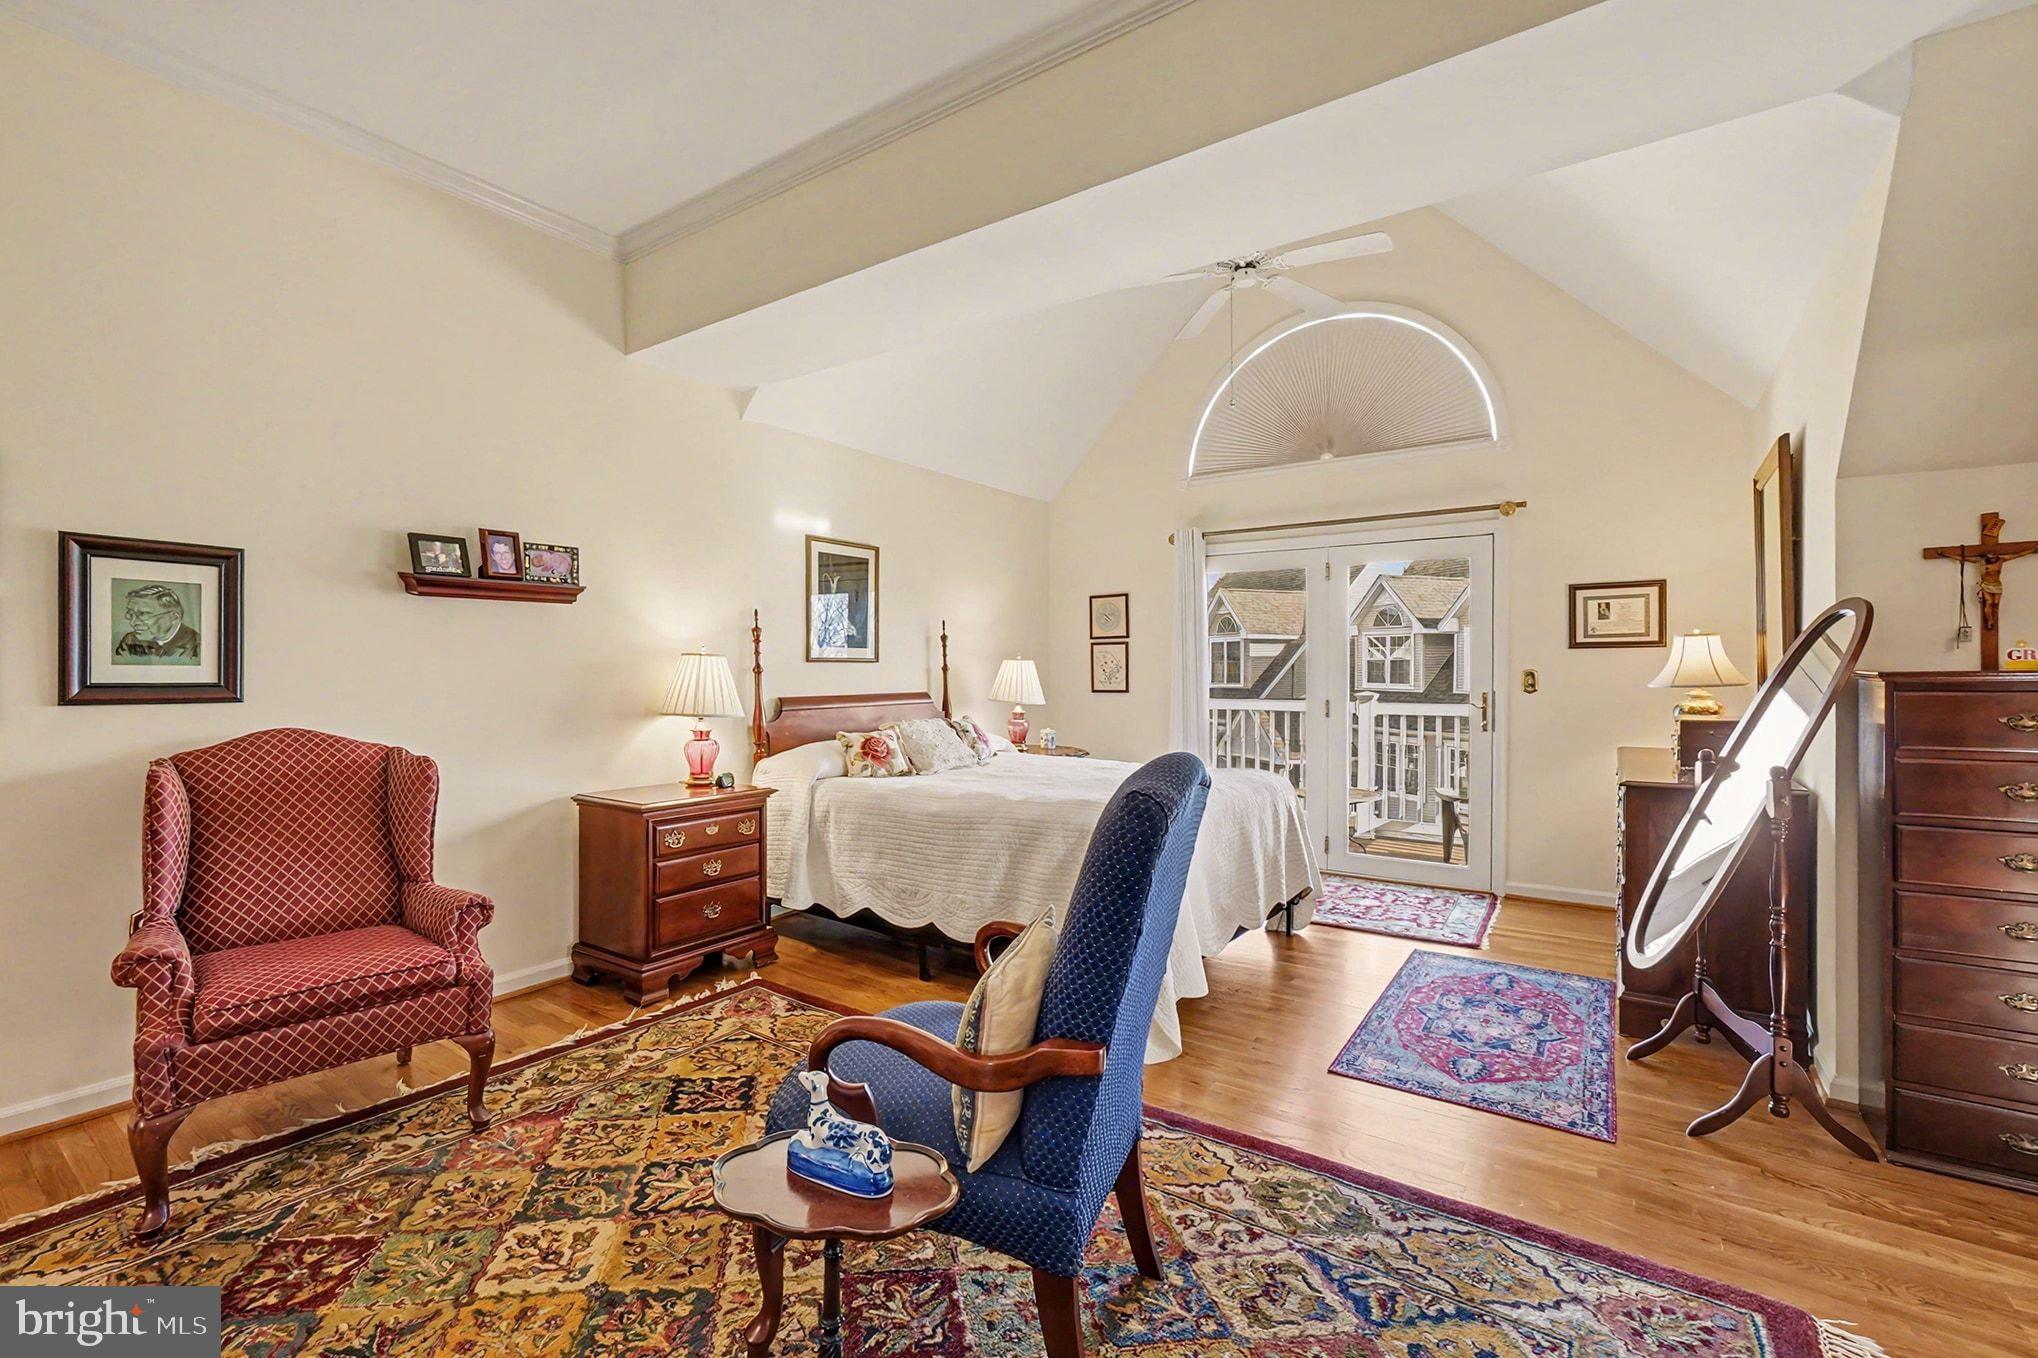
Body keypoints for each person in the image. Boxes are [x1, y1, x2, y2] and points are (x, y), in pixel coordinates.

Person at [114, 584, 200, 660]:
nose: (132, 622)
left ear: (174, 617)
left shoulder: (197, 644)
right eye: (130, 614)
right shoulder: (131, 640)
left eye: (143, 614)